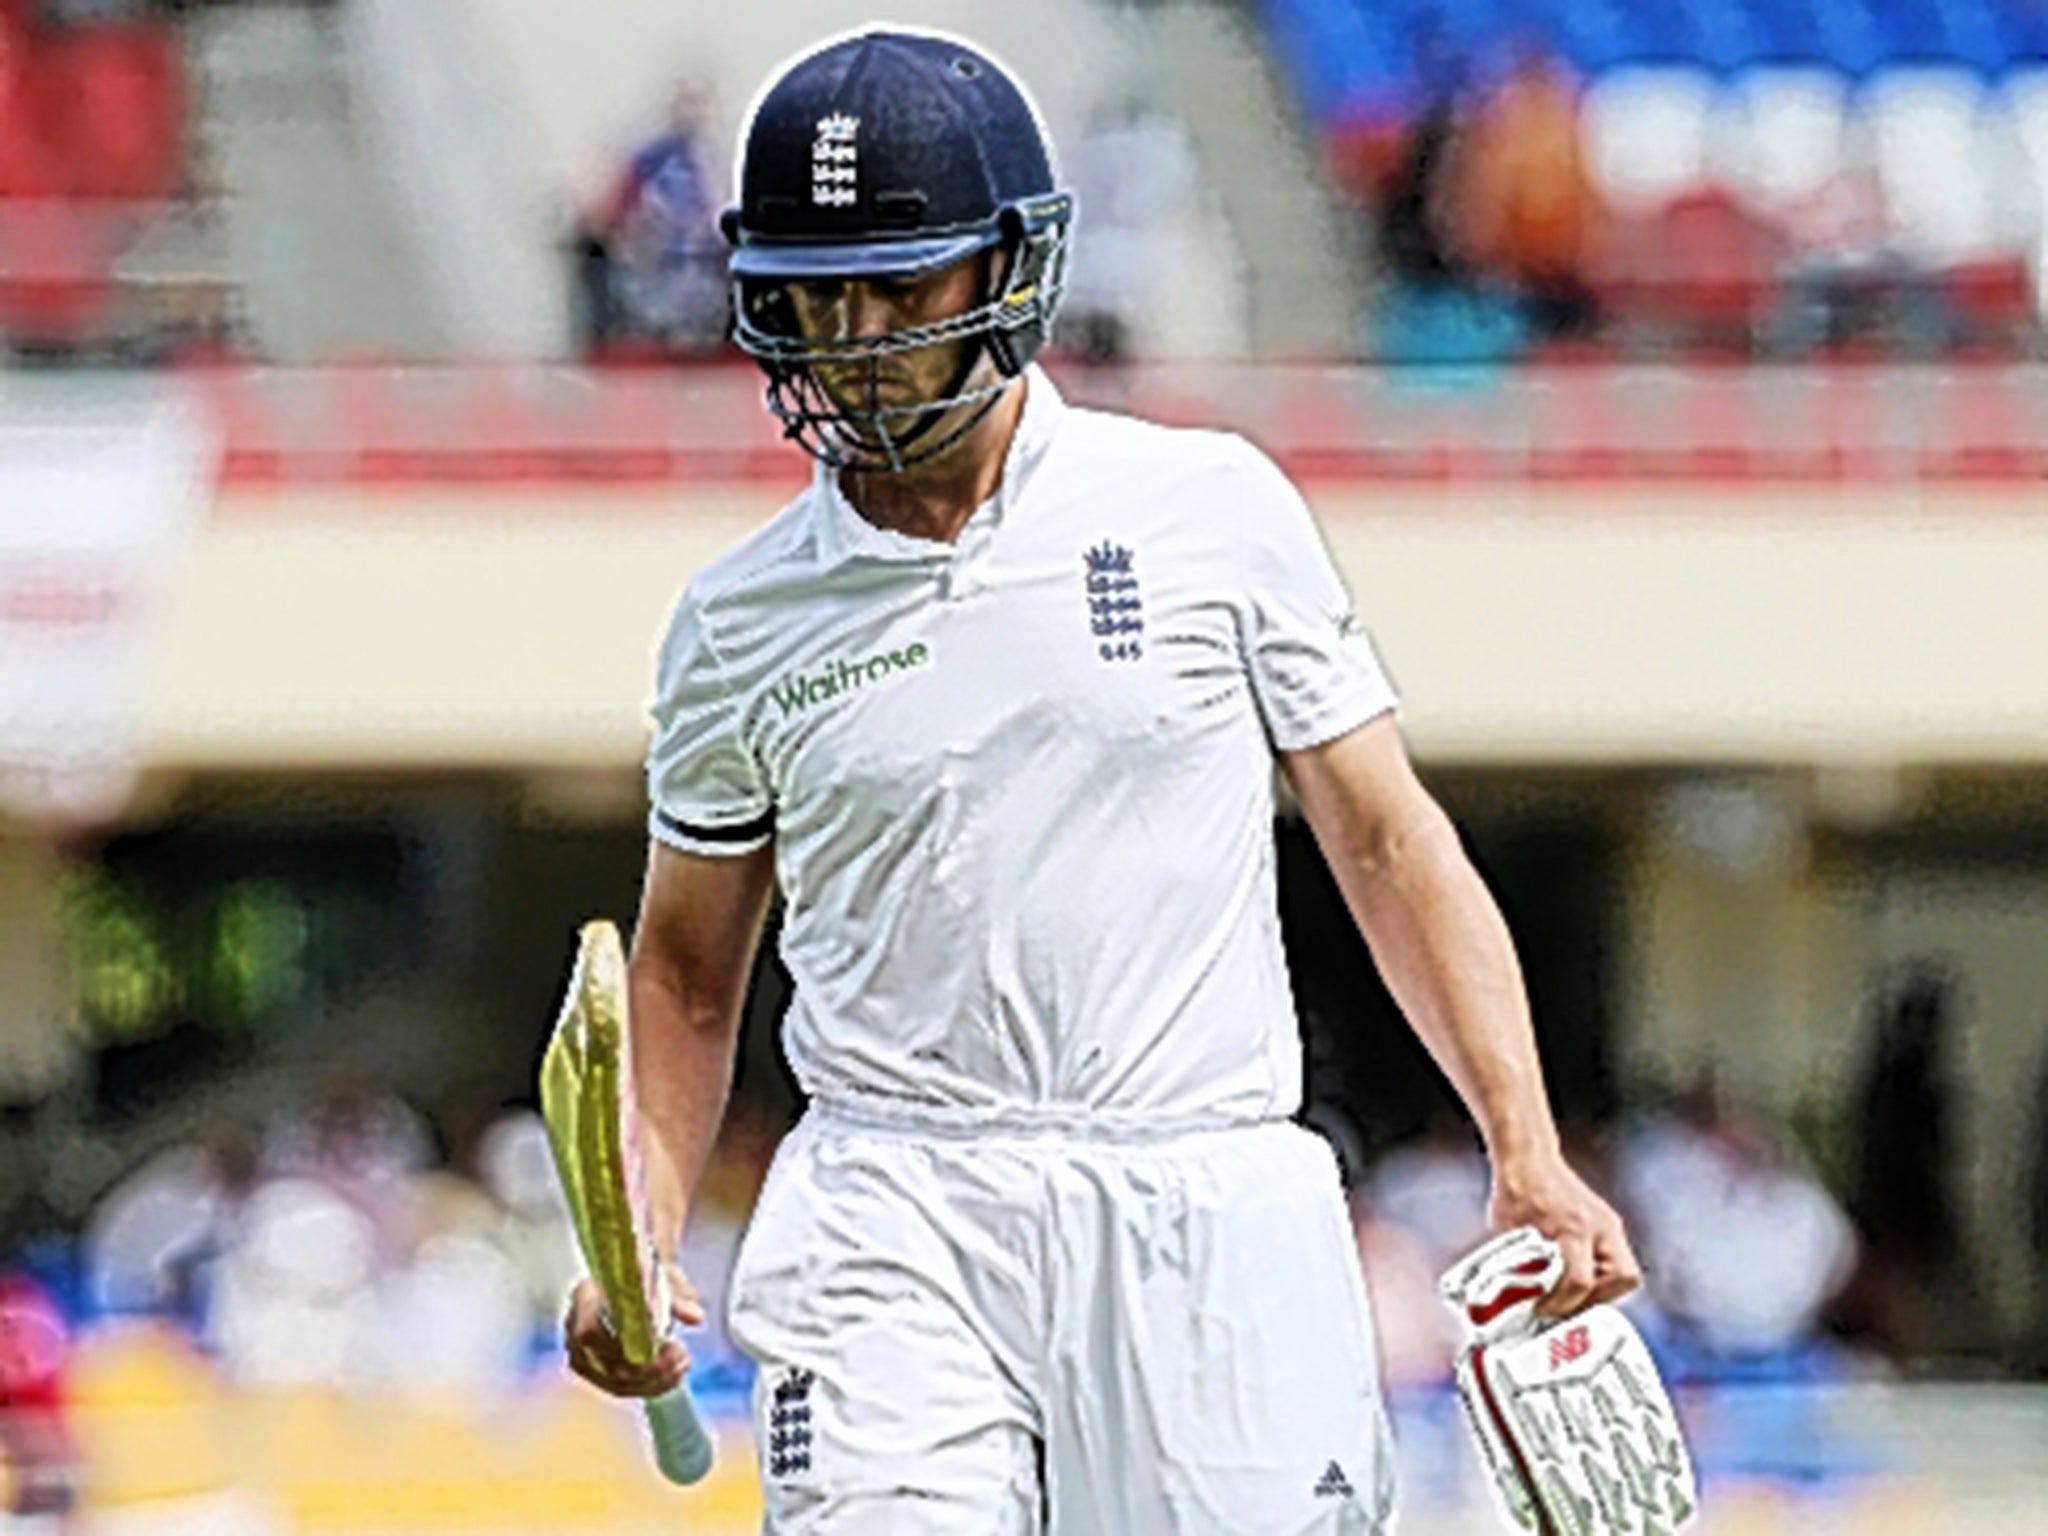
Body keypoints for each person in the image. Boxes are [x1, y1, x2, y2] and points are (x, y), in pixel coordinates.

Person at [563, 27, 1638, 1535]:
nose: (852, 336)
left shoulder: (1208, 510)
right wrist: (647, 1239)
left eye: (900, 287)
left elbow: (1387, 843)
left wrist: (1524, 1150)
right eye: (811, 296)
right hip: (897, 1211)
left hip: (1206, 1199)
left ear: (1012, 272)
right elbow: (683, 975)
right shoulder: (738, 622)